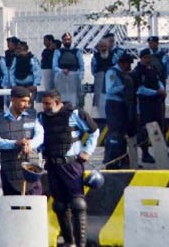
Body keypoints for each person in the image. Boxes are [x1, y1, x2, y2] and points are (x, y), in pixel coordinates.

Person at [39, 90, 99, 247]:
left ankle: (81, 243)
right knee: (59, 205)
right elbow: (39, 141)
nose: (45, 107)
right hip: (52, 164)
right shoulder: (42, 118)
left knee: (77, 204)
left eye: (48, 104)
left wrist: (87, 151)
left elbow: (94, 131)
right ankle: (68, 241)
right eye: (43, 103)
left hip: (72, 164)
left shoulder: (75, 114)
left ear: (57, 103)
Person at [0, 86, 44, 195]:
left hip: (32, 168)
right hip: (9, 169)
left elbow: (40, 136)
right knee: (13, 207)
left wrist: (30, 143)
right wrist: (15, 143)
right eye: (23, 101)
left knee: (34, 206)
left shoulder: (32, 116)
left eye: (28, 101)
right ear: (13, 100)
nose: (26, 105)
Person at [103, 53, 137, 169]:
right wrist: (124, 87)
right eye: (128, 65)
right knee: (115, 133)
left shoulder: (123, 74)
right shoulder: (112, 72)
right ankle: (111, 159)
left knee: (122, 133)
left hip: (122, 105)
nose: (129, 67)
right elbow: (110, 90)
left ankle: (121, 158)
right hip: (114, 105)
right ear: (123, 63)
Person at [132, 49, 166, 164]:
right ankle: (145, 154)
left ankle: (162, 152)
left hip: (156, 103)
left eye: (149, 57)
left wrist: (161, 89)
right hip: (145, 104)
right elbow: (140, 89)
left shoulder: (153, 69)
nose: (148, 60)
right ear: (141, 58)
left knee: (159, 127)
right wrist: (156, 92)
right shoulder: (138, 71)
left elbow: (158, 81)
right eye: (145, 57)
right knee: (145, 130)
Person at [53, 33, 84, 109]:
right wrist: (62, 71)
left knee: (74, 98)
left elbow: (81, 66)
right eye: (65, 40)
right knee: (61, 97)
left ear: (71, 40)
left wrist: (80, 77)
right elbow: (54, 66)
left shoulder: (77, 51)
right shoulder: (58, 52)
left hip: (74, 77)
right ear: (62, 41)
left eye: (68, 39)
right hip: (61, 77)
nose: (67, 41)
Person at [91, 34, 116, 115]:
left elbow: (116, 67)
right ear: (99, 48)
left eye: (105, 46)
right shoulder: (95, 57)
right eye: (101, 47)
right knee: (99, 100)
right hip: (99, 79)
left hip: (111, 79)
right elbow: (93, 69)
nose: (103, 48)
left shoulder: (113, 56)